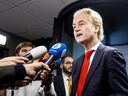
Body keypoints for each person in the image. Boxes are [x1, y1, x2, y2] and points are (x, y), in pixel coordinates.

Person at [72, 8, 128, 96]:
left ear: (96, 28)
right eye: (74, 26)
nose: (76, 29)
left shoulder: (111, 54)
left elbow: (122, 93)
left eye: (81, 24)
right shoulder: (76, 63)